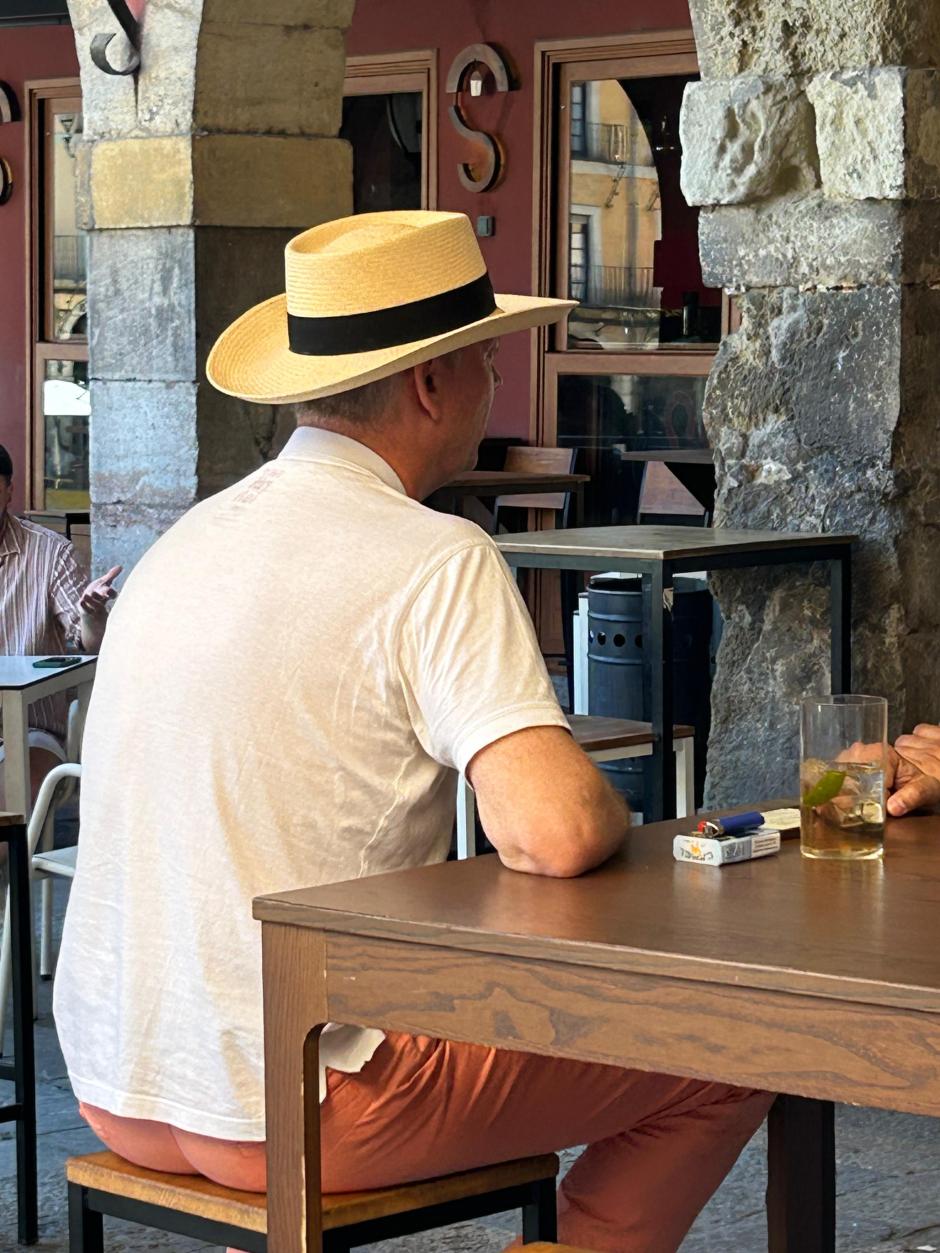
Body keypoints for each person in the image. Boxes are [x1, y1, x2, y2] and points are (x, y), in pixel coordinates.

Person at [54, 211, 771, 1253]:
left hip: (120, 1075)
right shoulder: (435, 555)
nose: (494, 383)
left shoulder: (184, 540)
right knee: (740, 1038)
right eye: (484, 359)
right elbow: (554, 832)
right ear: (429, 385)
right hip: (306, 1095)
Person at [0, 443, 120, 803]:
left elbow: (90, 648)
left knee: (8, 823)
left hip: (29, 730)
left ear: (8, 491)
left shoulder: (49, 553)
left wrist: (92, 614)